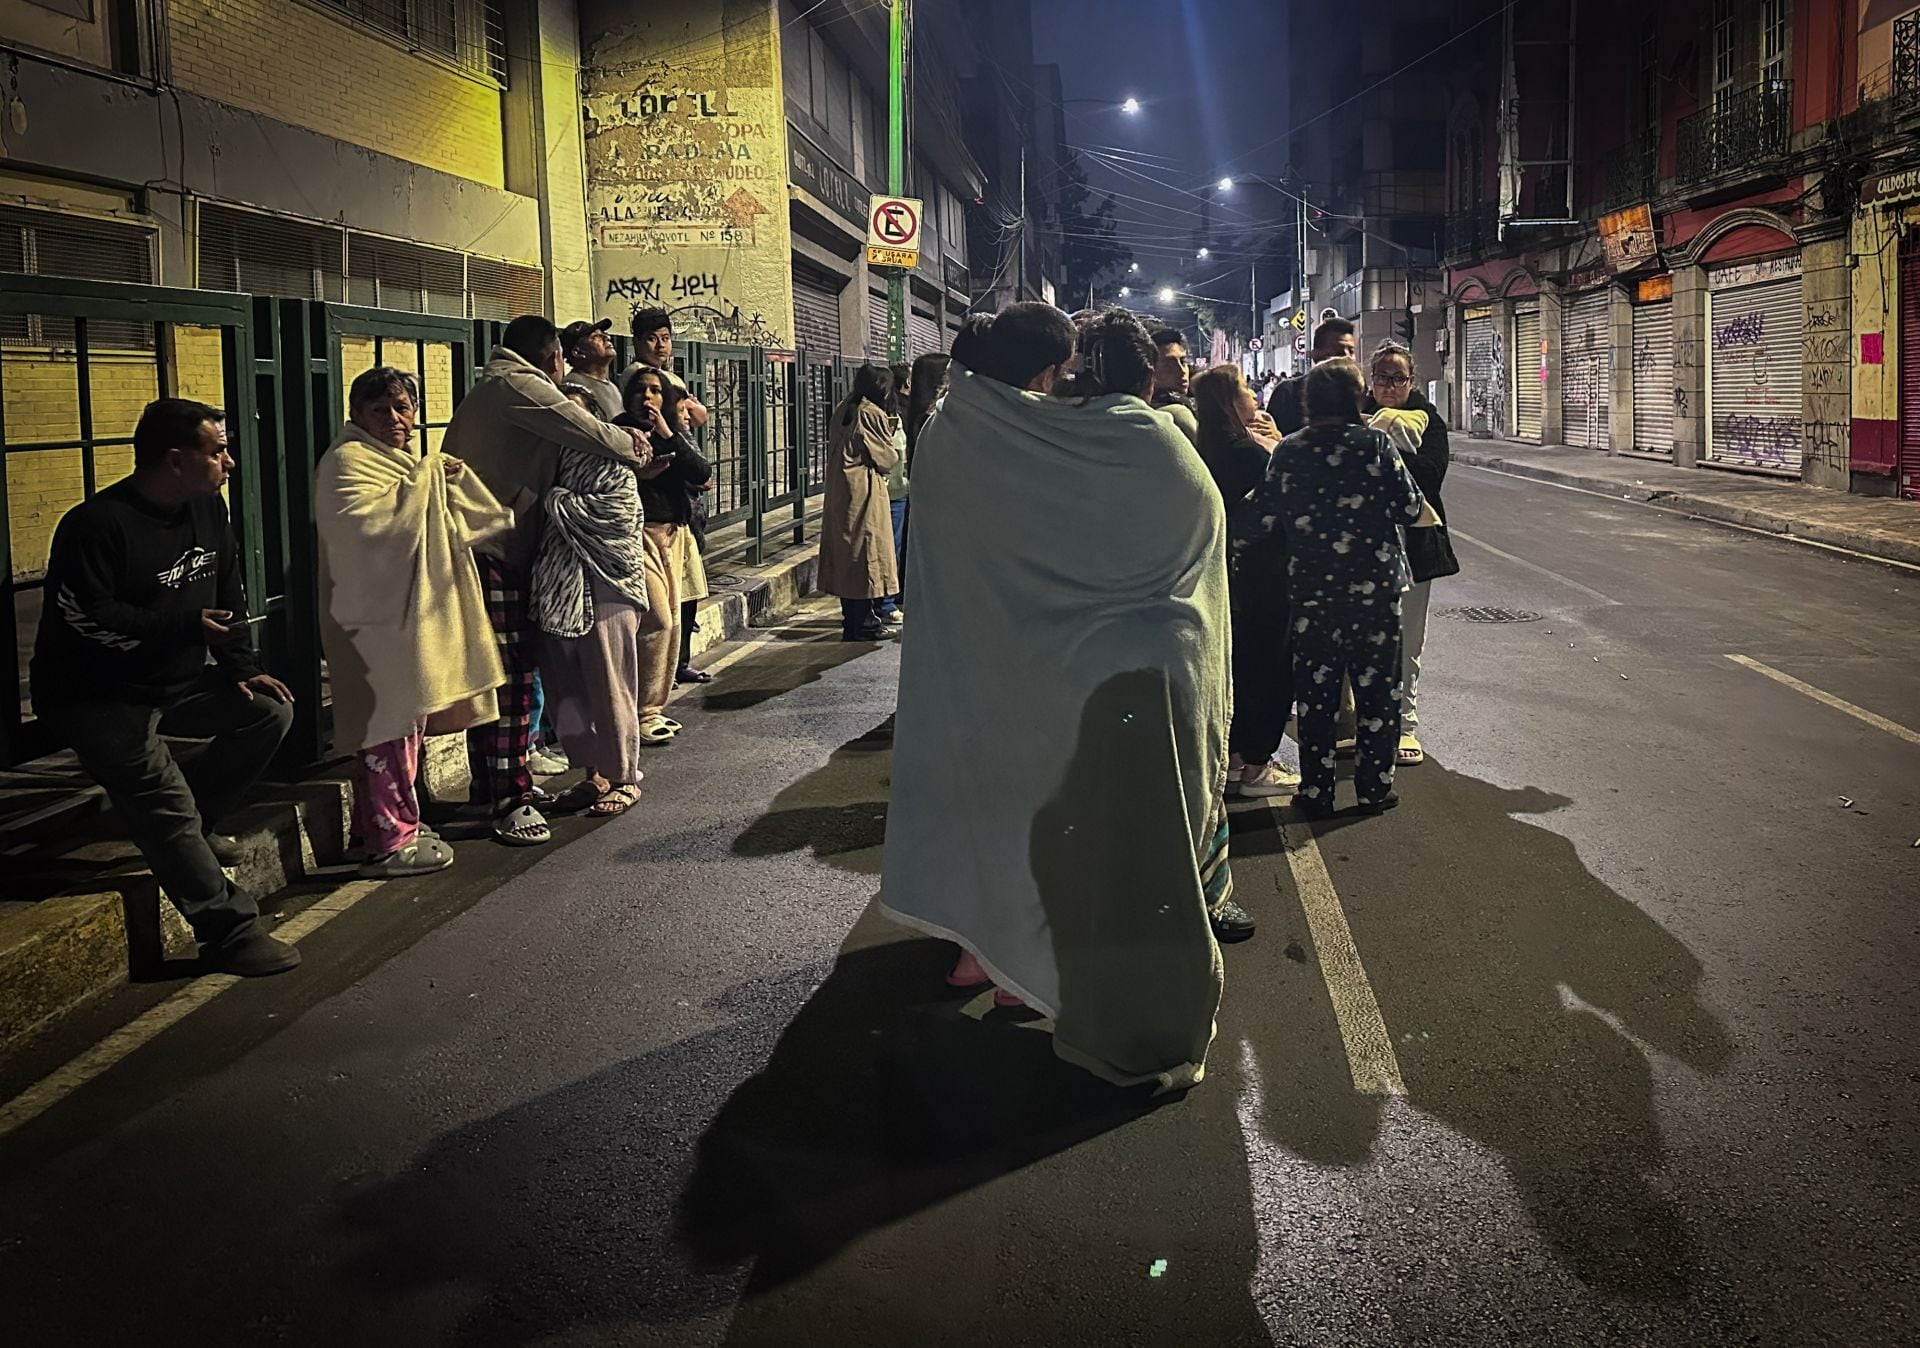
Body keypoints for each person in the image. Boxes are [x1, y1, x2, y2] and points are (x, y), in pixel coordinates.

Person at [881, 304, 1237, 1090]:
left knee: (1013, 823)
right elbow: (1197, 549)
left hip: (999, 672)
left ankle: (992, 955)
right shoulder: (1143, 439)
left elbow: (971, 562)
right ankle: (1093, 1002)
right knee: (1126, 860)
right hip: (1135, 688)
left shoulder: (957, 428)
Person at [30, 399, 300, 977]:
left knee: (268, 713)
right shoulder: (97, 525)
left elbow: (226, 590)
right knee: (164, 799)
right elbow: (90, 611)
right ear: (176, 461)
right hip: (98, 693)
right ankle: (230, 931)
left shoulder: (207, 508)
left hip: (173, 679)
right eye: (217, 451)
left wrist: (240, 666)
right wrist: (182, 626)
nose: (229, 462)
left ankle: (189, 840)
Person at [448, 314, 652, 847]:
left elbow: (616, 508)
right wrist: (629, 442)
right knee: (512, 679)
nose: (571, 402)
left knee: (548, 678)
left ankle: (535, 783)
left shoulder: (507, 392)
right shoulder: (516, 385)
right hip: (501, 552)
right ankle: (508, 794)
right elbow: (576, 425)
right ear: (552, 356)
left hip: (586, 577)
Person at [316, 368, 513, 878]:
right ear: (356, 414)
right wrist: (427, 478)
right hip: (371, 622)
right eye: (381, 410)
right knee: (385, 728)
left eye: (404, 408)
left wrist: (430, 480)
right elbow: (372, 530)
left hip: (400, 618)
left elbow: (433, 525)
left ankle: (389, 823)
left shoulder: (394, 462)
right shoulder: (346, 462)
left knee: (405, 728)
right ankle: (388, 840)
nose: (396, 419)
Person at [1258, 358, 1428, 818]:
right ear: (1358, 398)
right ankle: (1374, 789)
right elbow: (1411, 507)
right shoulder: (1374, 445)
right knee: (1378, 692)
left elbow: (1264, 516)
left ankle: (1317, 791)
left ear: (1309, 401)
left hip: (1313, 593)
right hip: (1375, 592)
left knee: (1316, 696)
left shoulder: (1289, 450)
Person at [528, 382, 654, 817]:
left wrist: (558, 503)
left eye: (574, 415)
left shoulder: (613, 462)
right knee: (568, 691)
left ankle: (624, 776)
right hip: (558, 588)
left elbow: (617, 518)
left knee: (609, 684)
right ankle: (591, 774)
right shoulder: (547, 462)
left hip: (607, 585)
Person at [1190, 364, 1300, 799]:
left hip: (1228, 581)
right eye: (1247, 392)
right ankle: (1257, 767)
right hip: (1266, 578)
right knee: (1271, 672)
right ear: (1231, 403)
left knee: (1242, 669)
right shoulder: (1249, 454)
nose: (1255, 398)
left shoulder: (1207, 448)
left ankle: (1237, 760)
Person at [1365, 340, 1457, 766]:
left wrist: (1382, 444)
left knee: (1408, 638)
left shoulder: (1429, 422)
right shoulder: (1355, 416)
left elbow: (1428, 477)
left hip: (1415, 547)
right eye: (1381, 377)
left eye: (1397, 378)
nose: (1388, 386)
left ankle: (1405, 724)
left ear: (1411, 382)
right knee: (1364, 637)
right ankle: (1367, 719)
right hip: (1363, 547)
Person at [613, 367, 714, 741]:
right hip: (639, 532)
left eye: (656, 391)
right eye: (641, 390)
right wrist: (641, 476)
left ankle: (653, 708)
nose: (648, 397)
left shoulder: (671, 431)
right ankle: (641, 710)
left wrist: (668, 435)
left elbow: (701, 470)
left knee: (672, 621)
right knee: (656, 619)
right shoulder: (619, 428)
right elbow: (607, 475)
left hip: (675, 533)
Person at [819, 365, 902, 641]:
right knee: (866, 556)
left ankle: (854, 620)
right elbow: (886, 459)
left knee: (849, 557)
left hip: (841, 492)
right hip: (864, 492)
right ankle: (864, 623)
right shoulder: (872, 414)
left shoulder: (845, 407)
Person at [1267, 316, 1358, 434]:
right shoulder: (1288, 393)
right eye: (1338, 350)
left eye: (1351, 351)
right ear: (1316, 354)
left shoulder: (1360, 394)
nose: (1347, 357)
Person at [629, 308, 711, 431]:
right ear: (637, 342)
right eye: (652, 339)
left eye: (665, 338)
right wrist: (689, 404)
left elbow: (700, 418)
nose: (661, 345)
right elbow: (671, 412)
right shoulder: (635, 373)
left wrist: (686, 406)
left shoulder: (672, 377)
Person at [877, 361, 914, 623]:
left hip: (893, 490)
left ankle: (886, 601)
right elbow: (891, 455)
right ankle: (886, 604)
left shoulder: (889, 412)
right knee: (890, 549)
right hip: (892, 491)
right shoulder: (887, 415)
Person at [560, 317, 624, 420]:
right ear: (578, 352)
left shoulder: (612, 385)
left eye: (604, 333)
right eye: (596, 336)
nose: (607, 337)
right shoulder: (573, 388)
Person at [1149, 327, 1200, 444]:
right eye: (1168, 365)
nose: (1181, 371)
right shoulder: (1176, 414)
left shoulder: (1195, 403)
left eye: (1183, 362)